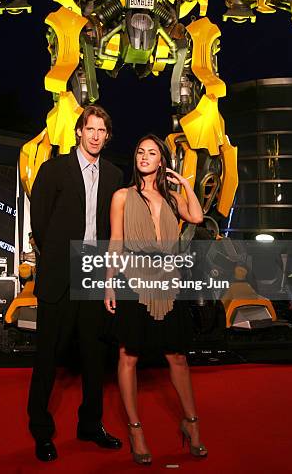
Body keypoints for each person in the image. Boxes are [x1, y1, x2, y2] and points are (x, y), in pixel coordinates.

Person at [28, 105, 123, 462]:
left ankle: (91, 424)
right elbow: (40, 223)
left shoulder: (114, 175)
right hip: (60, 275)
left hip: (96, 272)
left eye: (103, 130)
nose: (96, 135)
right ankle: (40, 430)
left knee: (94, 356)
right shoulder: (53, 170)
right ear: (79, 132)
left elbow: (115, 227)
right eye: (91, 129)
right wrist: (57, 260)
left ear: (107, 136)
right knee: (48, 356)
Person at [104, 134, 206, 465]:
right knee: (128, 355)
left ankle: (191, 423)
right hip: (132, 280)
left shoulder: (173, 197)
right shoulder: (122, 196)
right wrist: (108, 284)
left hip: (169, 283)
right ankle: (136, 429)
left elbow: (198, 217)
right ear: (135, 159)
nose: (144, 156)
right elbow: (116, 242)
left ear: (161, 160)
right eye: (140, 151)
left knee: (177, 355)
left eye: (152, 153)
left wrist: (183, 182)